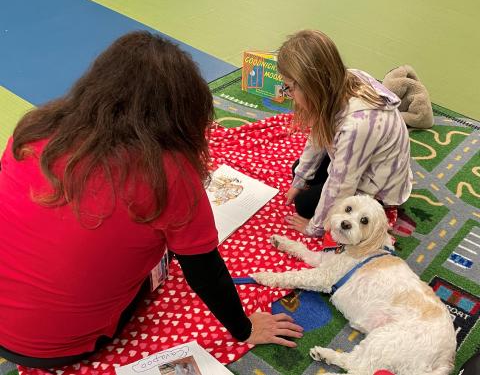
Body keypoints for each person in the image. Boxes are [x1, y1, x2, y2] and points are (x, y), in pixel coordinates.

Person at [0, 31, 303, 369]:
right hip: (65, 345)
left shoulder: (34, 129)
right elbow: (205, 272)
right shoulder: (168, 172)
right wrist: (244, 329)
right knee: (164, 259)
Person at [278, 30, 412, 237]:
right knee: (299, 170)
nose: (290, 95)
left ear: (311, 86)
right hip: (360, 159)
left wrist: (315, 228)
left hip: (379, 186)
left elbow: (342, 185)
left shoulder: (356, 125)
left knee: (304, 205)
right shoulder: (345, 78)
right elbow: (318, 135)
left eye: (289, 88)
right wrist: (300, 179)